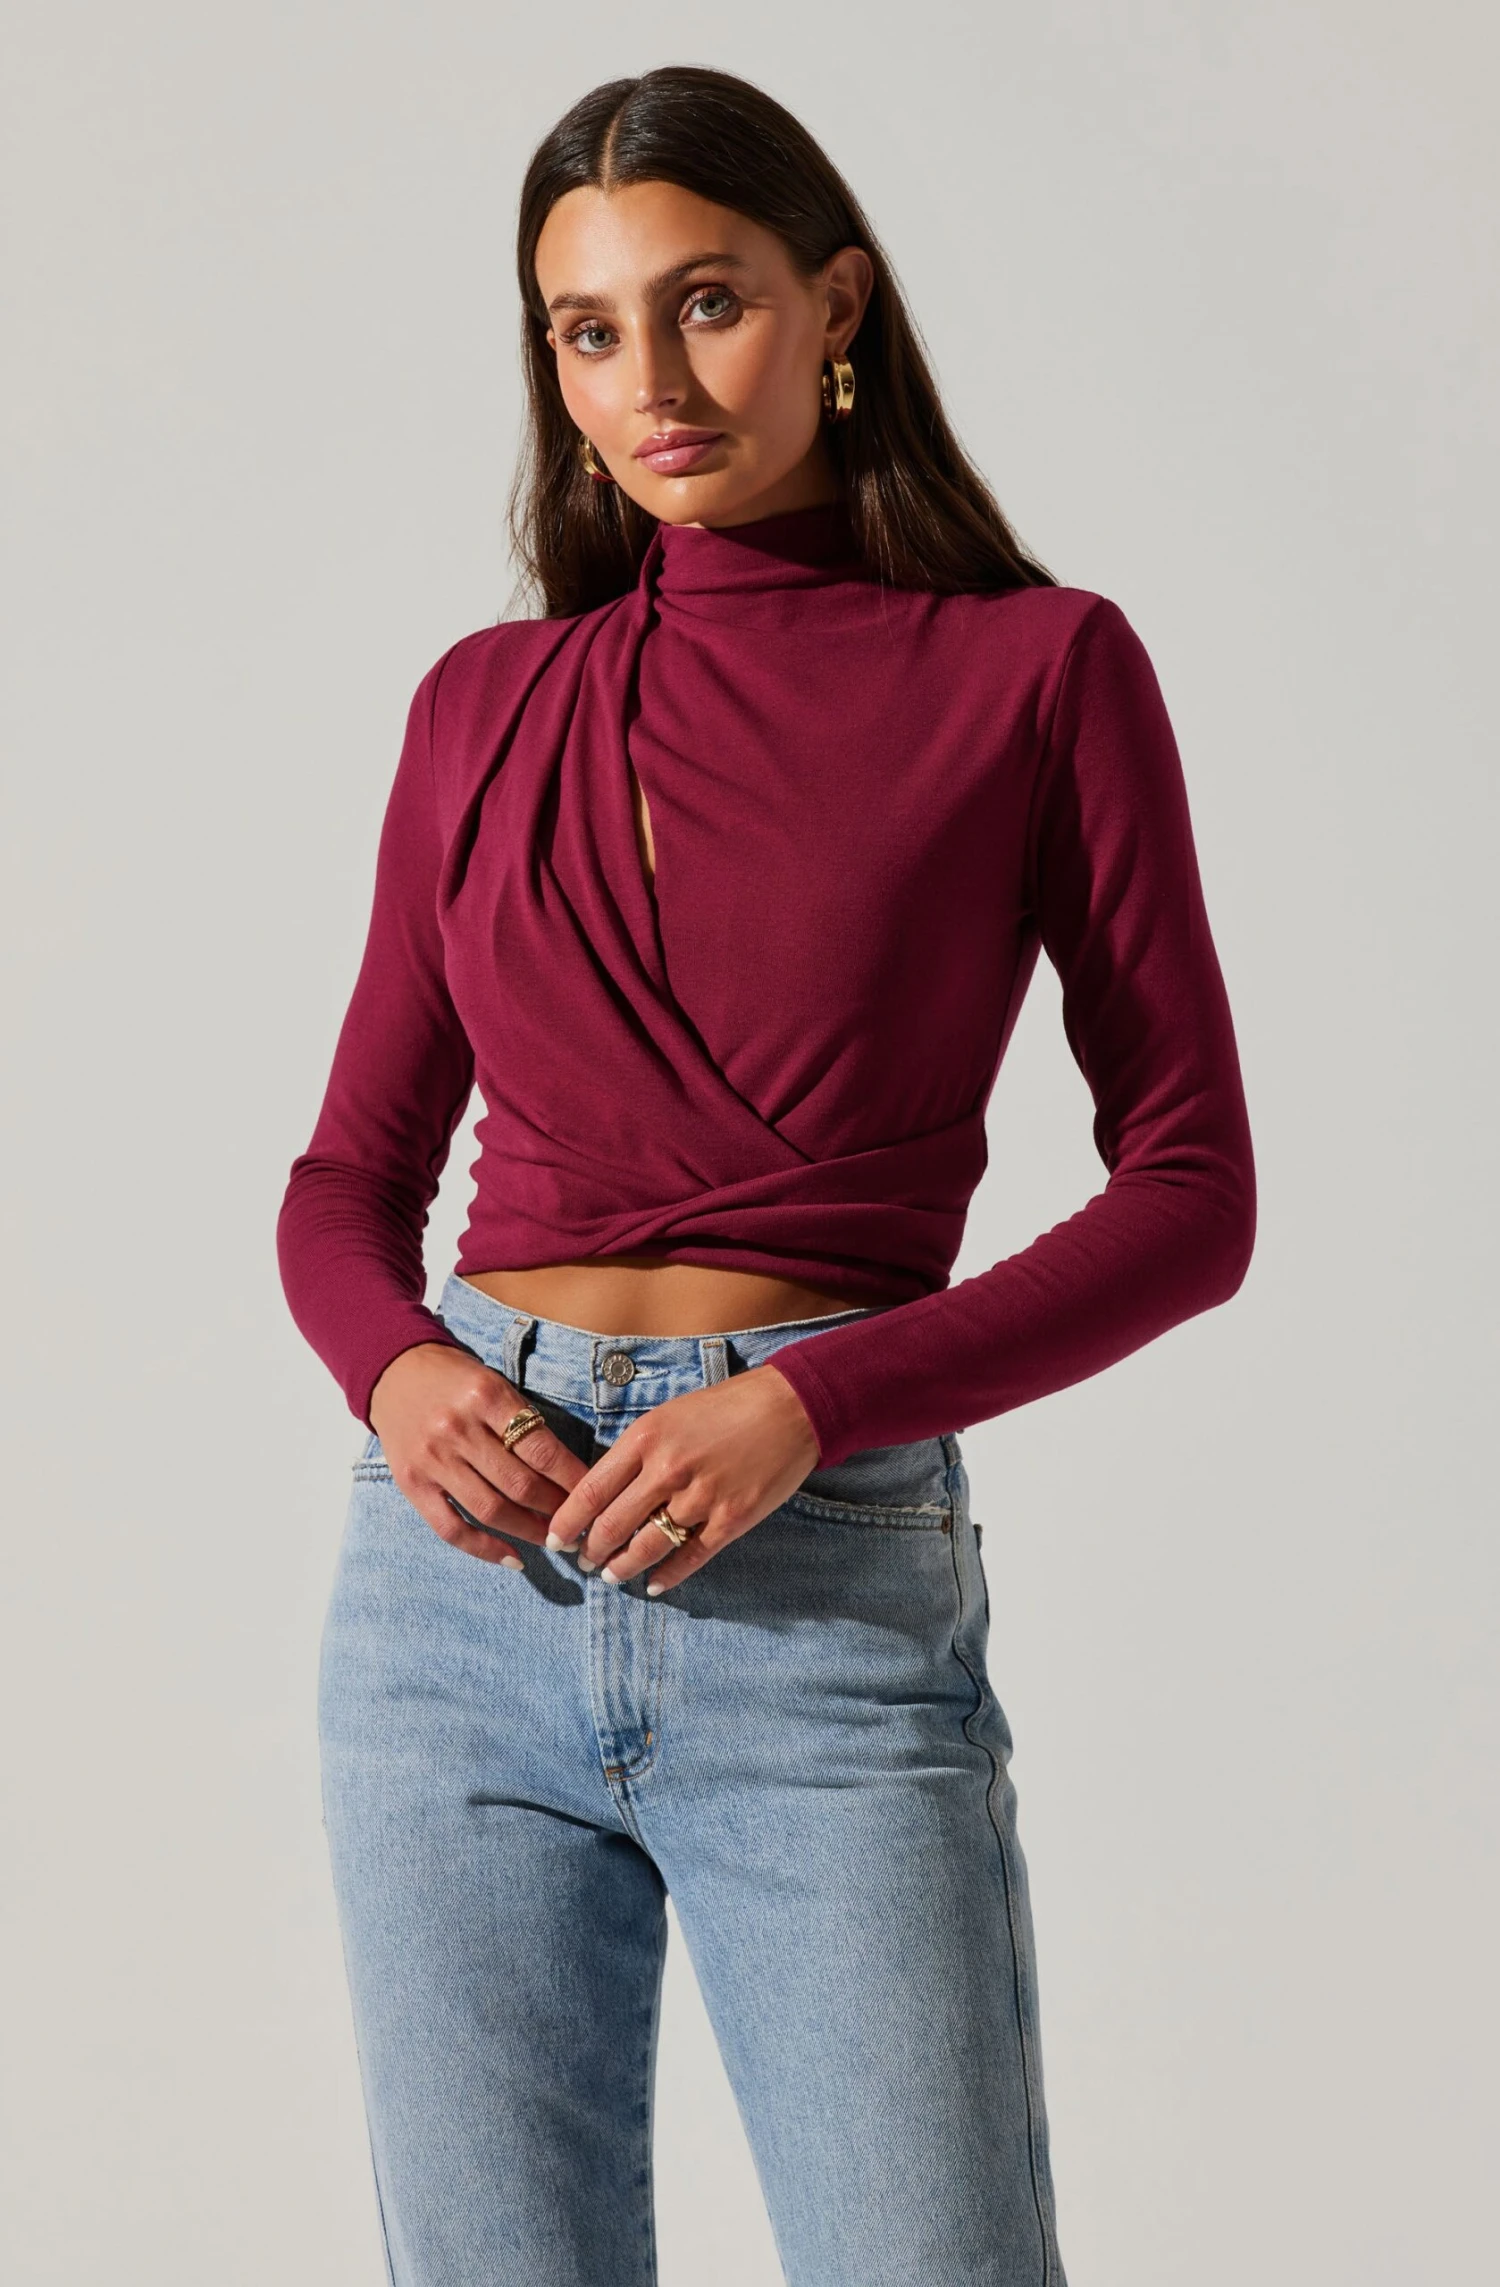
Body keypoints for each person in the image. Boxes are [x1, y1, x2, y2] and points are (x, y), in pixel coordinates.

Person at [276, 62, 1255, 2287]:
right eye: (587, 328)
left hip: (818, 1579)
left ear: (840, 305)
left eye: (704, 301)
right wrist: (399, 1376)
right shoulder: (482, 706)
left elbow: (1195, 1190)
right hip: (454, 1598)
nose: (650, 377)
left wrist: (816, 1398)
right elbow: (349, 1174)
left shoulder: (1037, 672)